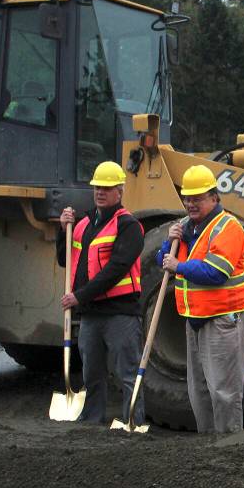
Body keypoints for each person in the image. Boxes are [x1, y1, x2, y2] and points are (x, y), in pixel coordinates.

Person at [158, 165, 244, 434]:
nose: (190, 203)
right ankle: (207, 447)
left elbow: (216, 272)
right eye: (187, 198)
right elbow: (163, 262)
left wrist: (178, 265)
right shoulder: (186, 227)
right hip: (194, 318)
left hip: (223, 319)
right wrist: (168, 243)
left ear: (214, 197)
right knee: (198, 391)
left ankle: (230, 445)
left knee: (223, 391)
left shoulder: (228, 227)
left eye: (197, 198)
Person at [57, 160, 145, 425]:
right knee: (91, 372)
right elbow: (65, 259)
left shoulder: (129, 226)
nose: (100, 192)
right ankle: (92, 419)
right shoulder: (82, 223)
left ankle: (135, 422)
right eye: (97, 187)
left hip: (120, 312)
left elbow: (116, 269)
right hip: (91, 315)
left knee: (127, 371)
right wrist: (62, 232)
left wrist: (80, 296)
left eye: (106, 188)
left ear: (119, 191)